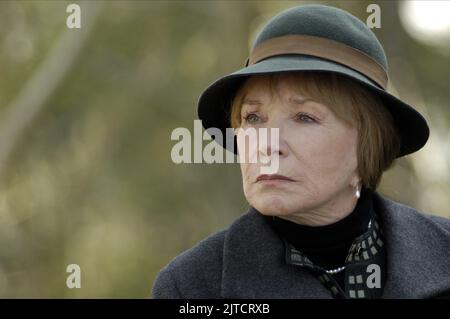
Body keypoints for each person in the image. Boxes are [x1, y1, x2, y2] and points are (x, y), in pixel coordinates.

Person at [152, 4, 450, 299]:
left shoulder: (443, 252)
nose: (267, 146)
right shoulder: (191, 287)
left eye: (305, 117)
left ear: (367, 145)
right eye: (253, 118)